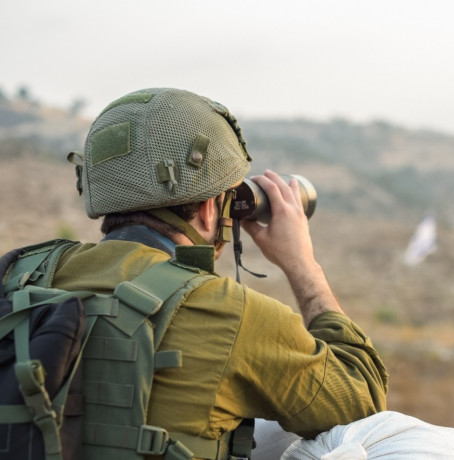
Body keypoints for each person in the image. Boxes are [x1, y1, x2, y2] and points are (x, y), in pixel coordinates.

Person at [18, 87, 389, 458]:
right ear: (212, 209)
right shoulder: (228, 313)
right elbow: (362, 398)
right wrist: (302, 264)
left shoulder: (22, 274)